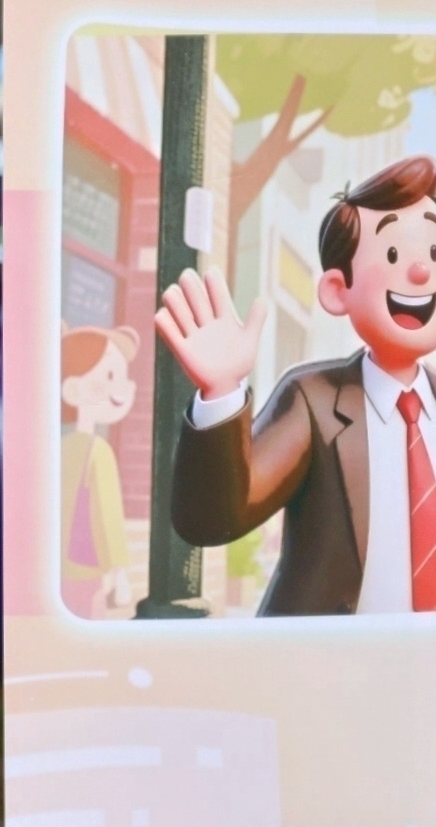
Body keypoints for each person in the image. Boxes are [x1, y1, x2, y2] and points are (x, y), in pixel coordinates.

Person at [154, 157, 436, 617]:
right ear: (336, 290)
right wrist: (222, 392)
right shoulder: (314, 400)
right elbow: (215, 519)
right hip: (330, 673)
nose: (422, 273)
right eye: (392, 255)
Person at [58, 324, 142, 617]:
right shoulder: (99, 450)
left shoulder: (60, 448)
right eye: (110, 376)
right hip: (87, 566)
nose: (122, 386)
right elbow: (107, 514)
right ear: (73, 388)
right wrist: (118, 570)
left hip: (57, 565)